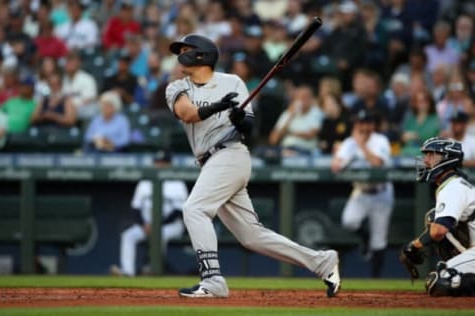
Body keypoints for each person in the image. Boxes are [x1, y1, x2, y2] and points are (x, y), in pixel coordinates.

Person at [165, 34, 340, 298]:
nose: (181, 54)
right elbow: (188, 114)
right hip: (210, 162)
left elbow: (249, 128)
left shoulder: (232, 82)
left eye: (186, 49)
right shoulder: (177, 87)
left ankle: (212, 280)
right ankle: (321, 261)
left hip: (231, 155)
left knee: (194, 209)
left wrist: (237, 119)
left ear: (202, 54)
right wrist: (218, 108)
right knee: (251, 236)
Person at [400, 136, 475, 297]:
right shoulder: (455, 183)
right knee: (433, 217)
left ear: (446, 158)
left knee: (442, 278)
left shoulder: (453, 186)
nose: (426, 160)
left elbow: (438, 231)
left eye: (431, 155)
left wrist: (414, 245)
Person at [331, 110, 394, 278]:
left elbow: (378, 163)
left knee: (379, 239)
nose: (362, 126)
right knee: (349, 221)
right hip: (361, 191)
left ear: (372, 125)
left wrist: (362, 146)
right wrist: (339, 156)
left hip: (381, 193)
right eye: (359, 123)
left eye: (366, 123)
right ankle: (365, 236)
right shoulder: (350, 142)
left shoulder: (380, 140)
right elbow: (336, 167)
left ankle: (376, 280)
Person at [111, 163, 188, 276]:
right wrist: (143, 224)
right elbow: (135, 208)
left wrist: (157, 225)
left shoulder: (177, 183)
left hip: (170, 225)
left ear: (170, 164)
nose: (160, 165)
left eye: (163, 162)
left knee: (160, 234)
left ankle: (152, 268)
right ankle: (127, 272)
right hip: (146, 225)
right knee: (128, 235)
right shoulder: (145, 183)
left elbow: (179, 211)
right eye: (157, 162)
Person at [268, 85, 324, 156]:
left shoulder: (317, 112)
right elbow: (273, 139)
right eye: (299, 98)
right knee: (262, 151)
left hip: (305, 150)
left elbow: (310, 135)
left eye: (305, 97)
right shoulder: (288, 113)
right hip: (284, 148)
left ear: (311, 99)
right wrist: (290, 116)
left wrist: (289, 133)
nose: (302, 100)